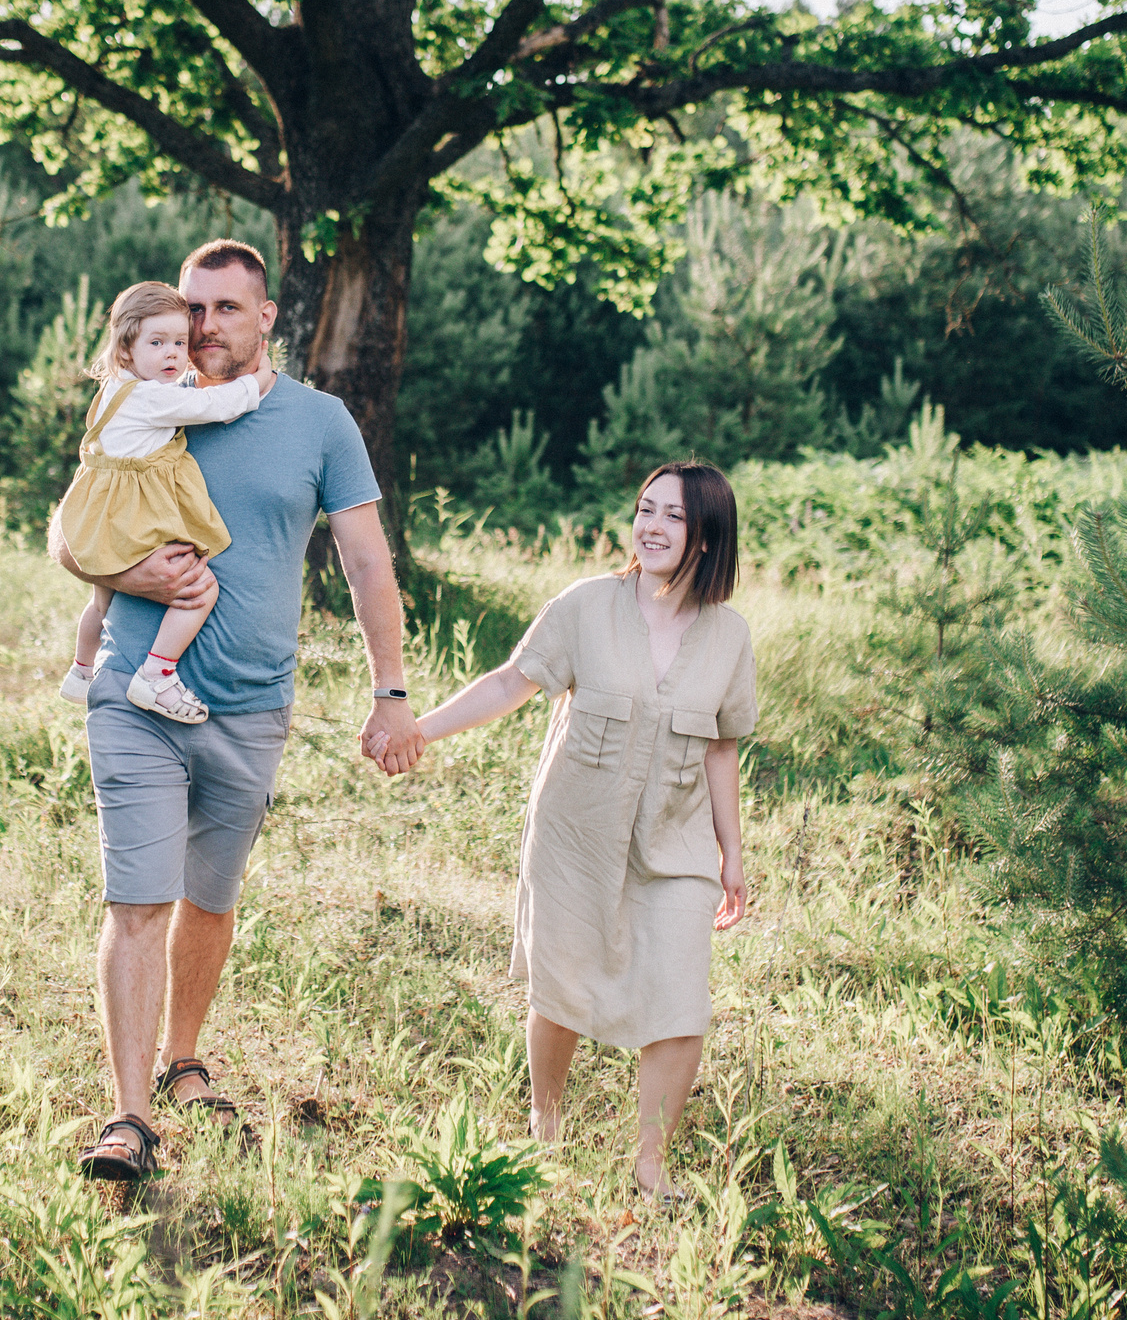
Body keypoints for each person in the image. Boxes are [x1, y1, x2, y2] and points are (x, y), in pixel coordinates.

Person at [51, 239, 424, 1183]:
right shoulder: (151, 393)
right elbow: (70, 523)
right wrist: (123, 571)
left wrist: (390, 690)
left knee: (209, 899)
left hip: (252, 704)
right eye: (193, 308)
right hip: (139, 689)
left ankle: (184, 1062)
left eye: (224, 309)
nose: (204, 327)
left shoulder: (319, 421)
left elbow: (367, 559)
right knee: (138, 900)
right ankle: (129, 1114)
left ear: (267, 317)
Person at [395, 462, 756, 1202]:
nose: (650, 526)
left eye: (673, 516)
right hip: (575, 833)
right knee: (560, 986)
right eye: (644, 509)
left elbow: (723, 748)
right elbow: (509, 681)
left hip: (675, 842)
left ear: (708, 535)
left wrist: (732, 854)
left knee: (681, 999)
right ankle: (545, 1127)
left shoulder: (729, 637)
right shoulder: (586, 605)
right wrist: (418, 731)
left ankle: (651, 1168)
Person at [54, 280, 265, 724]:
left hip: (103, 516)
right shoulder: (152, 398)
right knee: (199, 590)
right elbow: (214, 405)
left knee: (102, 602)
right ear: (126, 349)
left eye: (179, 343)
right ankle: (157, 674)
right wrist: (256, 383)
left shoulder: (116, 389)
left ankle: (80, 670)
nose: (173, 354)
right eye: (157, 343)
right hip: (134, 517)